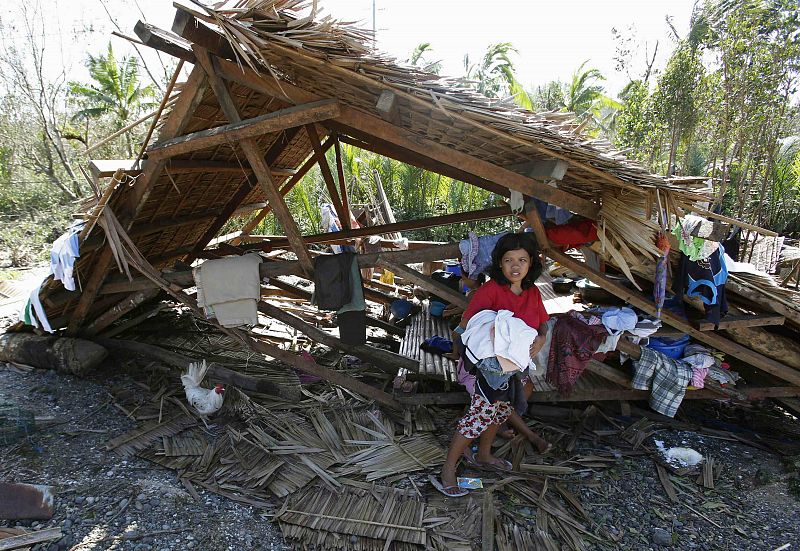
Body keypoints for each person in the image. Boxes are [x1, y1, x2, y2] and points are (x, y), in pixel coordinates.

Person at [435, 233, 552, 497]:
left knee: (502, 410)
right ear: (499, 263)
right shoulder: (490, 291)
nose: (515, 266)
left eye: (522, 260)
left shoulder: (532, 293)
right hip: (483, 368)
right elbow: (464, 326)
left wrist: (542, 336)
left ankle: (484, 455)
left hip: (513, 367)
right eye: (509, 260)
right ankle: (448, 469)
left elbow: (542, 321)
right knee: (479, 416)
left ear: (531, 262)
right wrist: (461, 355)